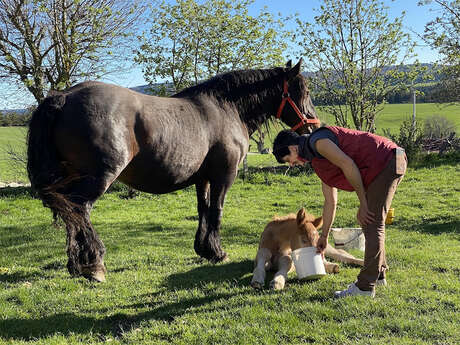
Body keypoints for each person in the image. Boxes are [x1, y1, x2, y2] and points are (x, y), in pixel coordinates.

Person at [272, 126, 407, 298]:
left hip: (387, 160)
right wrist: (324, 236)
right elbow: (330, 202)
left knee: (372, 221)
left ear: (292, 148)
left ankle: (365, 287)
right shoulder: (317, 160)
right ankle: (379, 275)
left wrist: (363, 202)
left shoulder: (318, 143)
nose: (292, 164)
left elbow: (348, 164)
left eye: (288, 159)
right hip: (389, 162)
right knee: (371, 222)